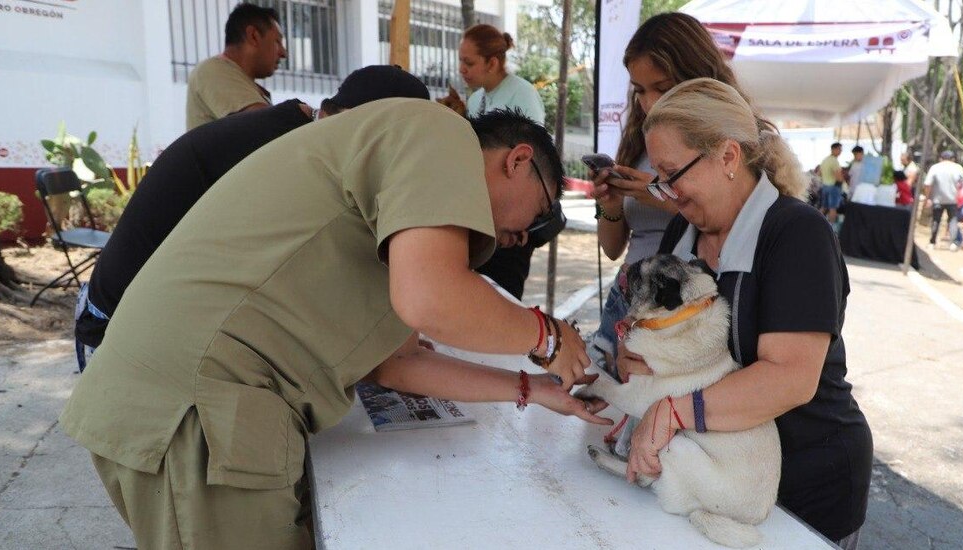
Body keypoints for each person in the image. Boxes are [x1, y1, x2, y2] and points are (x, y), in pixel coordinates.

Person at [60, 104, 609, 549]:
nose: (520, 238)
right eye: (536, 213)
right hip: (194, 415)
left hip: (182, 411)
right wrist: (549, 336)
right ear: (518, 160)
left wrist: (531, 390)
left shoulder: (396, 219)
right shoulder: (440, 134)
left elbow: (399, 363)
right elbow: (432, 297)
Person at [622, 78, 872, 548]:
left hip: (805, 487)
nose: (667, 192)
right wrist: (636, 358)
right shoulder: (684, 229)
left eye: (673, 174)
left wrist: (674, 411)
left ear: (729, 158)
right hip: (712, 475)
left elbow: (790, 378)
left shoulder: (799, 235)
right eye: (659, 176)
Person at [74, 66, 432, 368]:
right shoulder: (290, 156)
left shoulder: (289, 132)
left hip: (139, 320)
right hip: (117, 337)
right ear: (353, 122)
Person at [587, 12, 772, 457]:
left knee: (661, 434)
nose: (649, 102)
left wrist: (655, 192)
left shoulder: (737, 137)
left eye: (661, 87)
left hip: (686, 310)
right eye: (639, 90)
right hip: (633, 299)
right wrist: (611, 204)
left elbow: (736, 217)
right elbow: (614, 249)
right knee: (611, 428)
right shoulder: (638, 137)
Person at [451, 23, 547, 299]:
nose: (461, 69)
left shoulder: (522, 93)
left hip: (510, 215)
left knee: (503, 294)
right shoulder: (477, 98)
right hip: (482, 214)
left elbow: (529, 162)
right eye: (461, 60)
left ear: (493, 62)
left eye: (468, 62)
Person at [185, 3, 286, 130]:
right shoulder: (213, 69)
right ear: (253, 36)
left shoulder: (241, 81)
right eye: (277, 41)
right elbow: (266, 125)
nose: (284, 53)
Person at [923, 150, 963, 250]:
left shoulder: (935, 167)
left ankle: (932, 242)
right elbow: (961, 184)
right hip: (953, 200)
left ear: (941, 158)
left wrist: (927, 198)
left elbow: (927, 184)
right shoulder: (958, 168)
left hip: (938, 199)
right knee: (952, 221)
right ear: (953, 159)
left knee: (936, 221)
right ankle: (953, 243)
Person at [819, 142, 844, 223]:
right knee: (833, 208)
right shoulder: (834, 161)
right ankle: (832, 229)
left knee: (824, 207)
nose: (840, 151)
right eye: (839, 149)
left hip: (825, 186)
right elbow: (838, 176)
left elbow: (819, 173)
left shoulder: (825, 160)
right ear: (834, 149)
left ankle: (816, 222)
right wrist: (840, 185)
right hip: (833, 187)